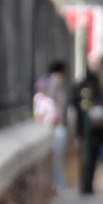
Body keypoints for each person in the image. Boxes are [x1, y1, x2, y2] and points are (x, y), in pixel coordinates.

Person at [71, 60, 103, 196]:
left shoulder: (82, 92)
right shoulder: (97, 93)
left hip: (87, 131)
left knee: (85, 158)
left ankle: (85, 184)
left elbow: (76, 106)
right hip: (96, 133)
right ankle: (88, 185)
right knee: (91, 159)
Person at [34, 60, 70, 192]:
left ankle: (55, 183)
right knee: (57, 157)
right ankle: (59, 184)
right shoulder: (59, 85)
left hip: (45, 124)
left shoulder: (42, 84)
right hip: (58, 125)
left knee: (53, 157)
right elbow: (62, 104)